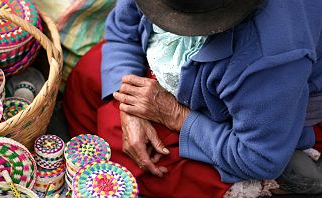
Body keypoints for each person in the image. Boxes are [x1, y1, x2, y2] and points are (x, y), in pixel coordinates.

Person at [63, 0, 322, 197]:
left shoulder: (270, 54)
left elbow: (258, 156)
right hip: (187, 82)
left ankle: (278, 162)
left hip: (257, 111)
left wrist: (175, 114)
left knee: (142, 165)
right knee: (88, 77)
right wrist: (128, 106)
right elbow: (123, 29)